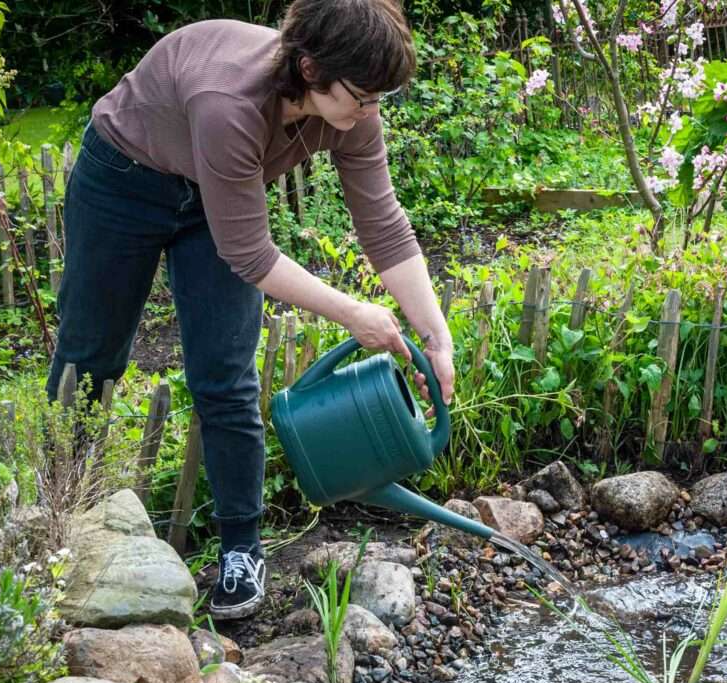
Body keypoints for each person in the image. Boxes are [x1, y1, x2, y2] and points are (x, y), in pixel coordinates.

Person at [46, 0, 455, 620]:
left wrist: (435, 333)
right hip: (124, 177)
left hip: (217, 197)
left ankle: (241, 547)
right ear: (311, 68)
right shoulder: (229, 102)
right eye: (363, 96)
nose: (370, 112)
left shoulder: (351, 110)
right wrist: (352, 313)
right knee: (91, 357)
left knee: (226, 376)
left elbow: (385, 227)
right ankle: (60, 522)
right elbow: (249, 253)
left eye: (380, 99)